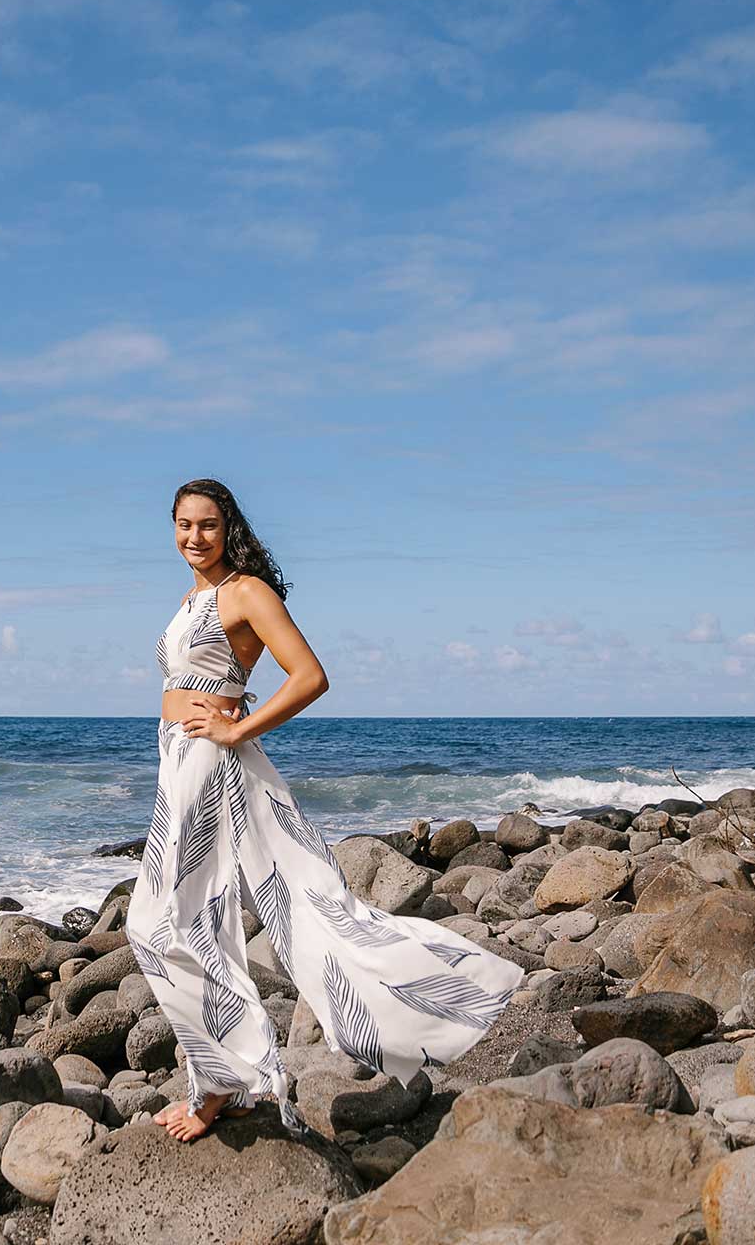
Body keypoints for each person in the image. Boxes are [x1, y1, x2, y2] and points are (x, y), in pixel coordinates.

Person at [128, 478, 526, 1142]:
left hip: (209, 764)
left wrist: (235, 731)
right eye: (183, 525)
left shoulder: (244, 592)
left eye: (207, 525)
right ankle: (224, 1078)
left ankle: (221, 1085)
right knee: (179, 922)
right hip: (178, 762)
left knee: (165, 923)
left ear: (229, 529)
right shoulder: (194, 597)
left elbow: (310, 675)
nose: (194, 537)